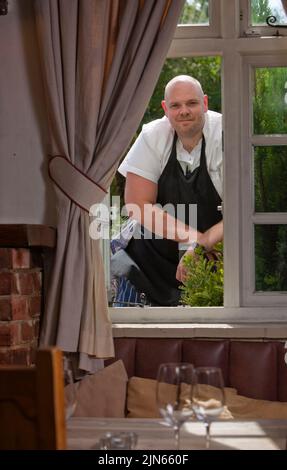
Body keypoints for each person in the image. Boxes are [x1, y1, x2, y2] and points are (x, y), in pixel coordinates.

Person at [112, 75, 223, 306]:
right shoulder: (153, 135)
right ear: (165, 108)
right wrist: (197, 240)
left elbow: (244, 210)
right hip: (146, 263)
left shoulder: (227, 136)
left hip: (210, 264)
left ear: (205, 103)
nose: (184, 111)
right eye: (176, 105)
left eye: (191, 103)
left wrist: (203, 246)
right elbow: (137, 205)